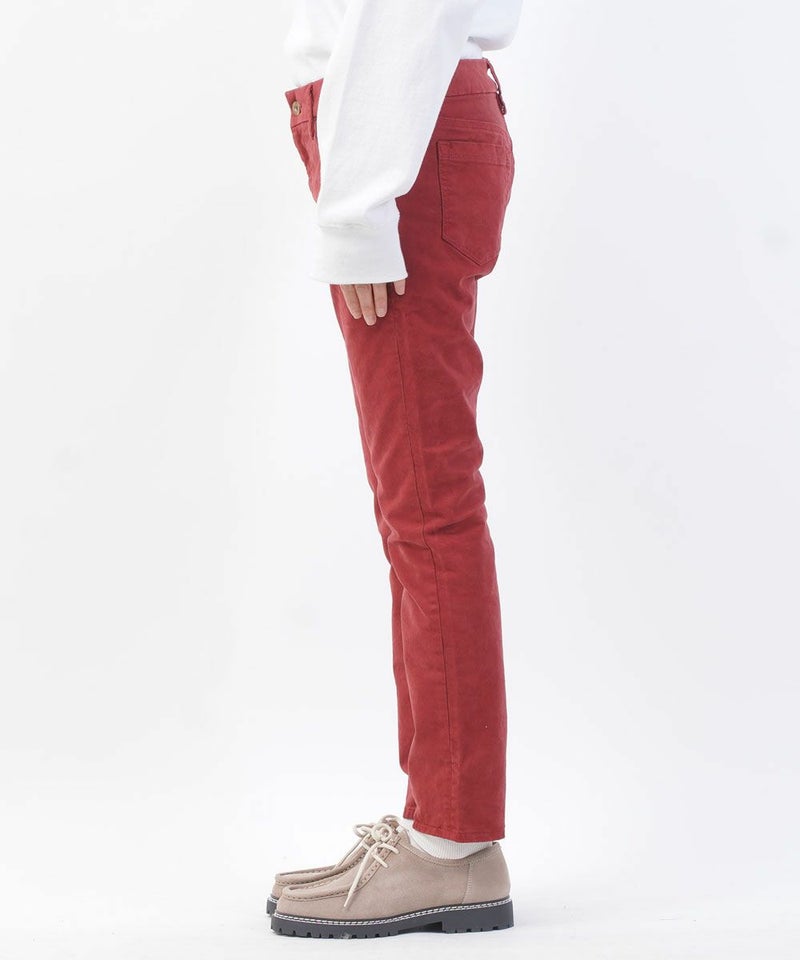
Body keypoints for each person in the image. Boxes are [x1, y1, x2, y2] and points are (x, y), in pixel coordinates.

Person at [270, 0, 522, 939]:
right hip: (403, 128)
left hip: (400, 139)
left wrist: (357, 204)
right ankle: (437, 827)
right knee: (418, 509)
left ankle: (452, 848)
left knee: (429, 510)